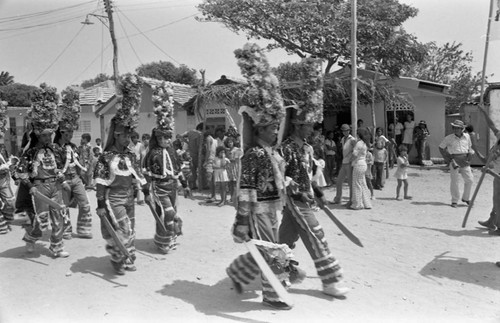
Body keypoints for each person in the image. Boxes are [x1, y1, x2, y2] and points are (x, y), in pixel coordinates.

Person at [226, 43, 298, 310]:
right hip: (257, 210)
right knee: (272, 249)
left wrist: (289, 184)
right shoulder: (254, 154)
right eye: (272, 128)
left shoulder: (270, 151)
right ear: (260, 129)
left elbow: (277, 178)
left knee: (270, 248)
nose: (275, 132)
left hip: (272, 209)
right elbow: (245, 187)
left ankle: (241, 273)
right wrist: (243, 218)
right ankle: (273, 294)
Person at [279, 57, 348, 298]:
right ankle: (330, 281)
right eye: (309, 125)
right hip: (295, 200)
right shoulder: (286, 148)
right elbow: (283, 178)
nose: (313, 129)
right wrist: (301, 192)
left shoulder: (307, 147)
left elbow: (308, 176)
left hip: (304, 199)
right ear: (298, 125)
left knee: (284, 240)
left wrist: (318, 193)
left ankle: (273, 273)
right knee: (316, 236)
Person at [94, 74, 149, 274]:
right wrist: (100, 205)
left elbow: (139, 174)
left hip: (129, 198)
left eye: (130, 135)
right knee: (123, 228)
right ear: (116, 135)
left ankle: (128, 258)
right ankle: (118, 257)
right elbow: (100, 183)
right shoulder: (106, 157)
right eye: (126, 135)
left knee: (131, 229)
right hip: (113, 199)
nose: (129, 138)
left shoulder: (131, 155)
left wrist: (147, 191)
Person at [15, 84, 69, 257]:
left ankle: (57, 247)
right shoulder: (30, 152)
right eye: (45, 135)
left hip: (55, 187)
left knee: (58, 216)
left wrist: (61, 176)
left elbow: (58, 167)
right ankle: (31, 238)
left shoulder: (54, 149)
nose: (48, 138)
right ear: (38, 135)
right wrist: (30, 185)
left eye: (50, 134)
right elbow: (20, 171)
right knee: (42, 220)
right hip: (39, 189)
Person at [143, 82, 186, 254]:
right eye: (162, 138)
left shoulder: (173, 151)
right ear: (157, 137)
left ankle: (169, 240)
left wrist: (186, 184)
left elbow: (178, 169)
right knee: (166, 213)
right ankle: (163, 242)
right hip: (159, 187)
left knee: (172, 211)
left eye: (168, 138)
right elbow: (146, 173)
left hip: (173, 186)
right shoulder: (152, 153)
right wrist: (146, 192)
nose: (165, 141)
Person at [55, 93, 93, 240]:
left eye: (71, 132)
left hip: (76, 179)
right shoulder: (55, 147)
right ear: (61, 132)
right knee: (63, 206)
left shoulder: (74, 146)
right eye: (67, 132)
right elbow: (54, 167)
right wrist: (62, 181)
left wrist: (82, 177)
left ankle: (83, 229)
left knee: (84, 203)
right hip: (62, 180)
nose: (70, 134)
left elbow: (78, 164)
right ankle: (66, 229)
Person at [438, 120, 474, 208]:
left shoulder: (467, 136)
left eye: (458, 128)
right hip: (454, 160)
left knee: (470, 180)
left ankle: (466, 198)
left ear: (462, 129)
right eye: (454, 128)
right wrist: (448, 159)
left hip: (464, 160)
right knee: (455, 181)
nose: (455, 129)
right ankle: (454, 200)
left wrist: (470, 154)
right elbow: (441, 147)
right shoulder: (448, 138)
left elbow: (469, 147)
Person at [332, 124, 356, 205]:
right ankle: (338, 199)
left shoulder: (352, 139)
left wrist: (351, 159)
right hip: (344, 162)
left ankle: (351, 200)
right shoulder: (343, 139)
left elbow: (355, 150)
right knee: (339, 181)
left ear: (349, 131)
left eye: (347, 130)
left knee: (350, 182)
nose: (345, 132)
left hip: (349, 162)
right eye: (344, 130)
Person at [0, 101, 15, 234]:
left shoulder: (3, 148)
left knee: (11, 202)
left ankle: (5, 217)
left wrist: (10, 163)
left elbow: (7, 159)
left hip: (4, 179)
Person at [350, 128, 372, 210]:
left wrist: (350, 160)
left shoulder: (359, 143)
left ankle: (357, 204)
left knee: (357, 184)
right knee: (363, 183)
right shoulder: (364, 143)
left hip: (358, 164)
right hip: (363, 164)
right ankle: (367, 203)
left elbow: (355, 154)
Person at [182, 123, 203, 190]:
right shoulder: (199, 134)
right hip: (197, 155)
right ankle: (199, 185)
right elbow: (198, 146)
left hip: (191, 154)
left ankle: (193, 185)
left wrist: (188, 142)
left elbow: (180, 136)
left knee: (192, 171)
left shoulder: (190, 132)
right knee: (199, 171)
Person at [225, 136, 242, 203]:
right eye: (228, 142)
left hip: (235, 167)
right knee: (230, 183)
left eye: (231, 142)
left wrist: (228, 160)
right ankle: (232, 197)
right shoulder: (228, 150)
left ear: (233, 142)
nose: (230, 143)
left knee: (235, 183)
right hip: (229, 168)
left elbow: (237, 159)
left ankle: (236, 198)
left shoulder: (237, 150)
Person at [203, 130, 217, 202]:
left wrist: (205, 161)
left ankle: (213, 196)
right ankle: (213, 195)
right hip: (214, 159)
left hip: (210, 160)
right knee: (213, 179)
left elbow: (208, 150)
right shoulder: (215, 140)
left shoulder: (208, 138)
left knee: (210, 179)